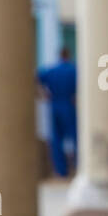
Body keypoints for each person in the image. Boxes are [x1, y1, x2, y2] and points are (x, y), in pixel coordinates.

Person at [37, 47, 78, 178]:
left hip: (54, 105)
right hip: (68, 105)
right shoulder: (73, 70)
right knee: (76, 137)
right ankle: (78, 166)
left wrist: (43, 93)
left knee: (56, 139)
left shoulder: (51, 70)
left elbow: (35, 78)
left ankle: (61, 171)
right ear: (68, 55)